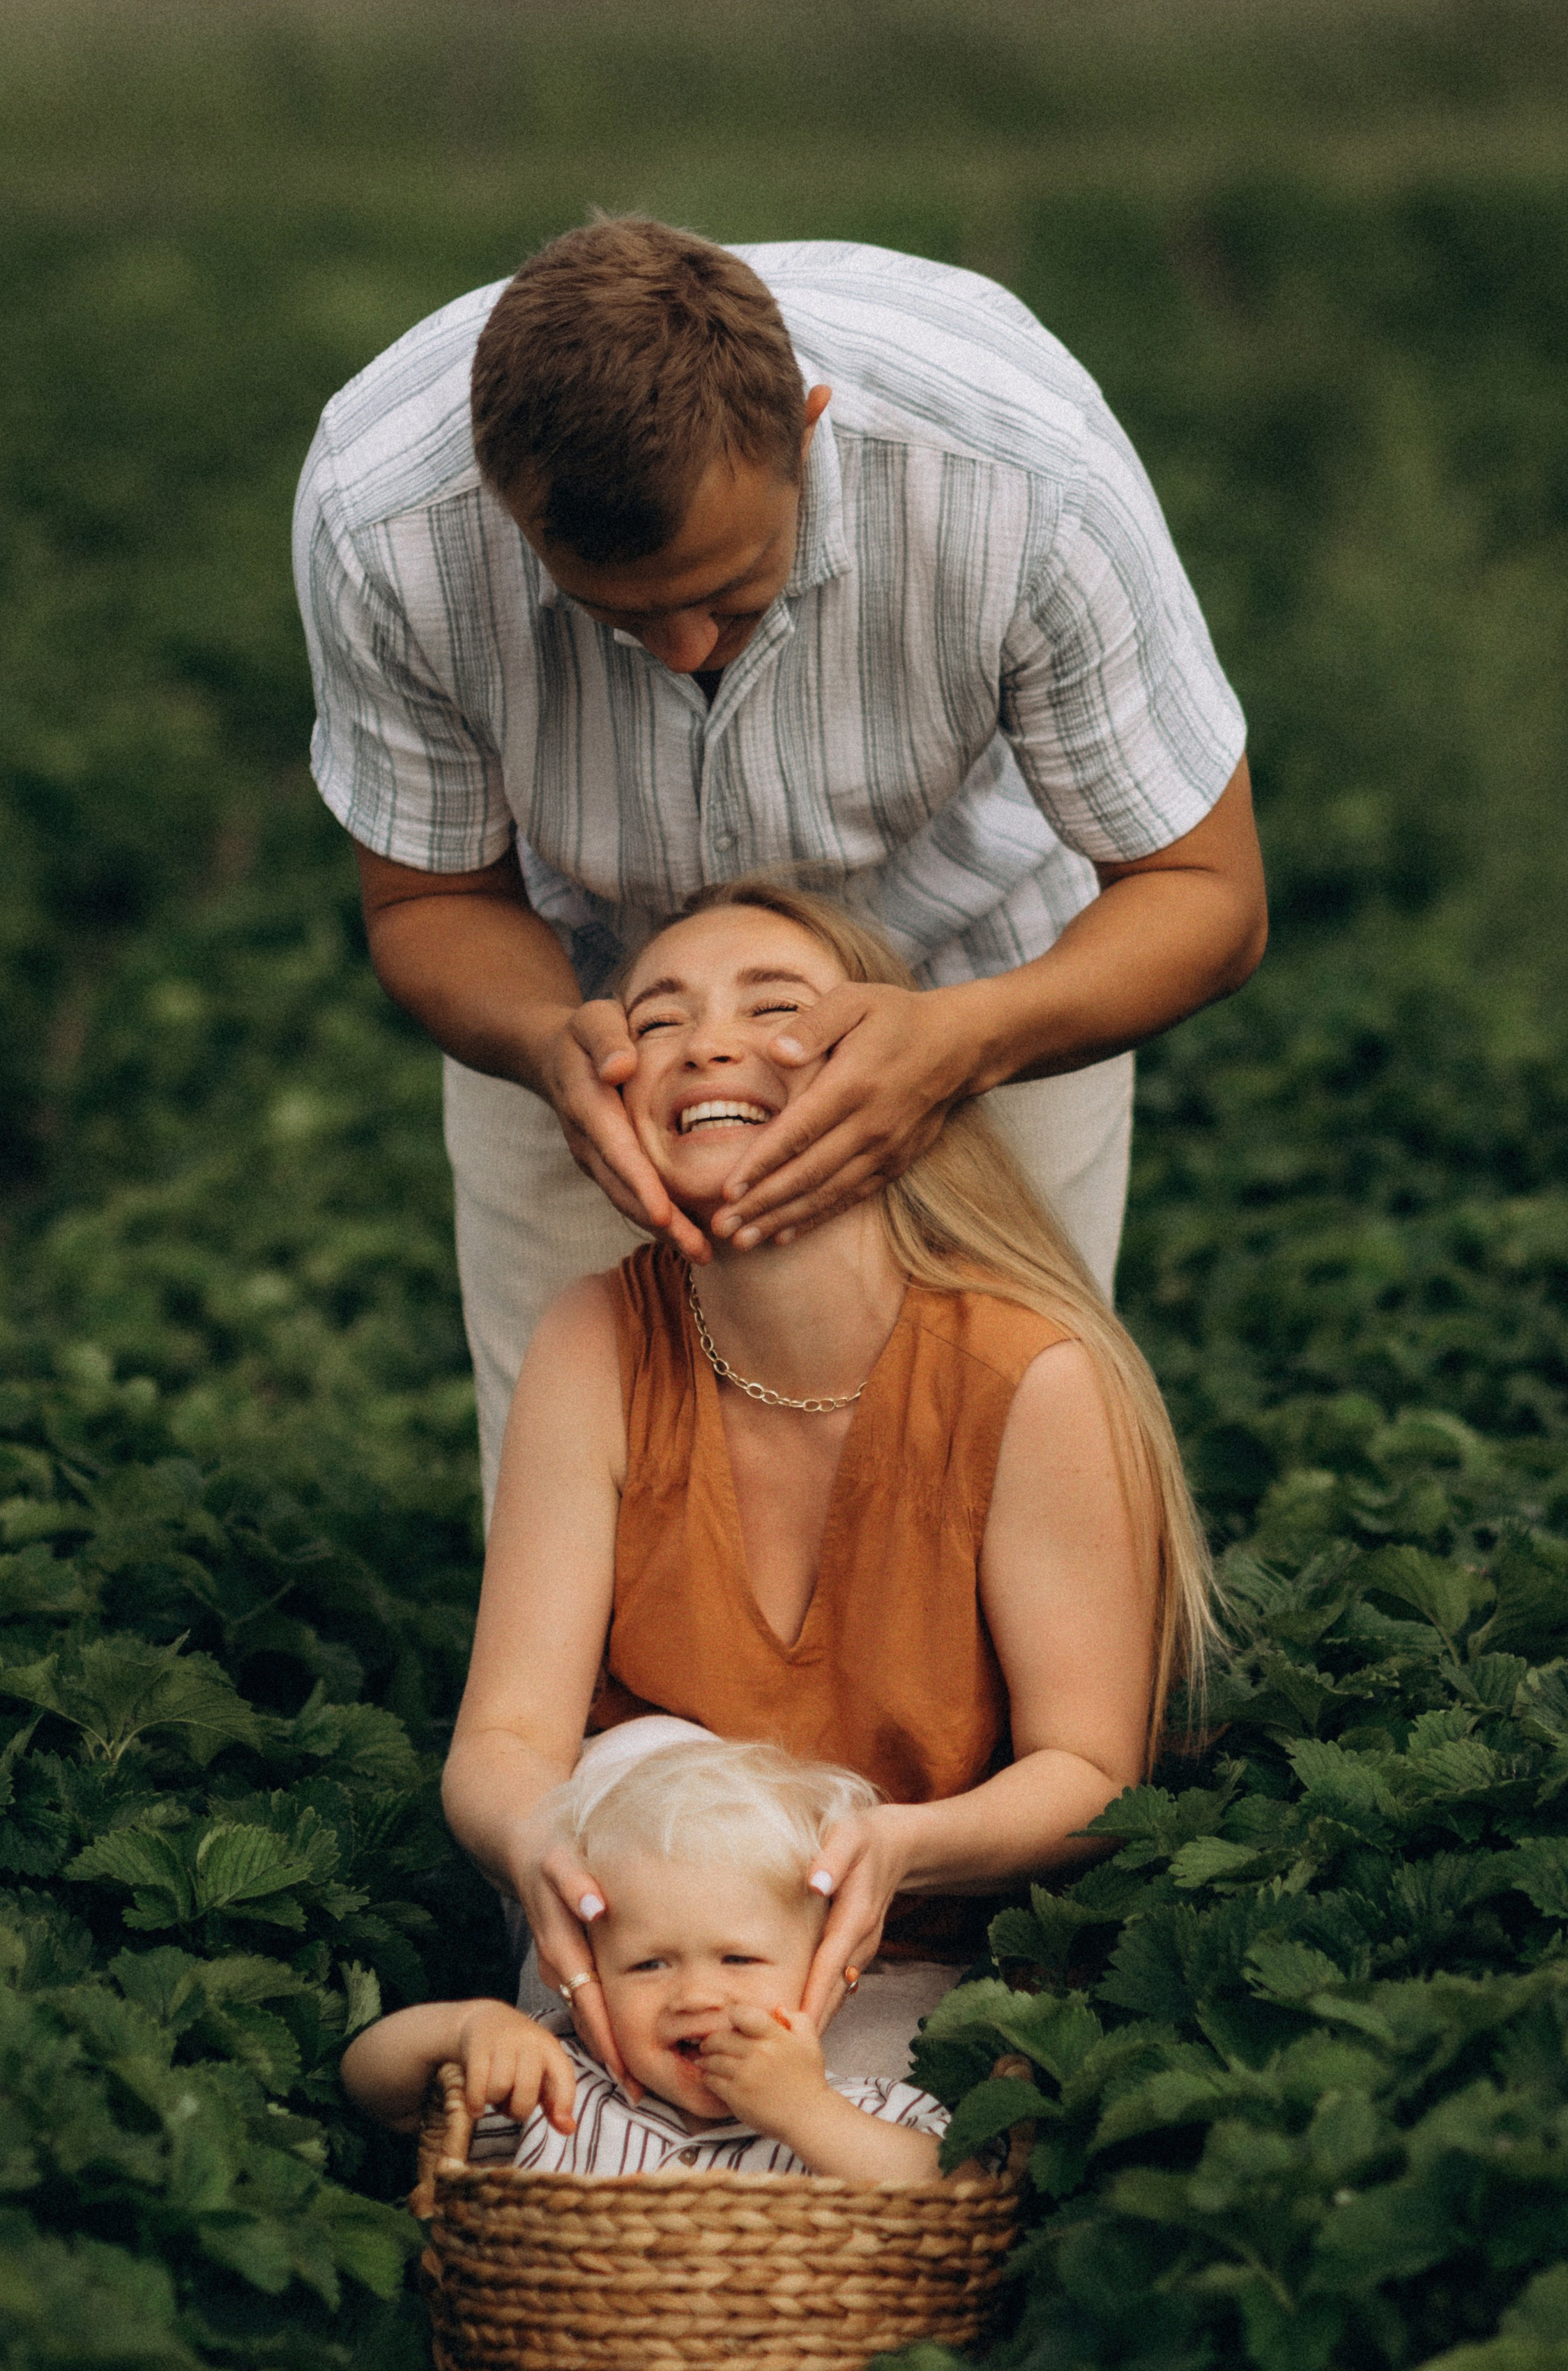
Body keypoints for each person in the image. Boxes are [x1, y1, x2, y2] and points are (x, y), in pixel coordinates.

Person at [294, 215, 1267, 1509]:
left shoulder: (1027, 473)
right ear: (503, 503)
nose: (686, 650)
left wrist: (970, 1041)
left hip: (980, 965)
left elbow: (1206, 891)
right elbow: (435, 899)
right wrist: (547, 1046)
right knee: (589, 1501)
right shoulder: (383, 523)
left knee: (999, 1475)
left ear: (808, 432)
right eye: (618, 616)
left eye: (732, 593)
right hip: (597, 1004)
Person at [436, 884, 1212, 2084]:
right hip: (647, 1954)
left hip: (924, 1958)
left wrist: (895, 1847)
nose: (708, 1043)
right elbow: (506, 1735)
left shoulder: (1032, 1373)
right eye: (657, 1020)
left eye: (777, 1009)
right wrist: (537, 1838)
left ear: (896, 1075)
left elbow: (1092, 1770)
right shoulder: (594, 1337)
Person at [341, 1727, 952, 2183]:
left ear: (822, 1960)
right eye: (648, 1964)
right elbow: (372, 2088)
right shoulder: (562, 2085)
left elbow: (960, 2192)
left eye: (738, 1959)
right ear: (592, 1965)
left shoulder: (863, 2111)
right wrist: (471, 2025)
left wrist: (808, 2113)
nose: (696, 1995)